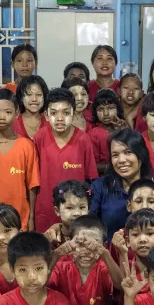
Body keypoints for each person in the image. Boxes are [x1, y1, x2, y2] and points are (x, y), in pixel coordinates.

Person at [49, 216, 124, 305]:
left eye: (94, 244)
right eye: (80, 243)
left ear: (104, 245)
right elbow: (42, 282)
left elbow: (120, 285)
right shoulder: (61, 267)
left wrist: (105, 254)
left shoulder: (104, 268)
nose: (87, 251)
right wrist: (57, 254)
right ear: (70, 243)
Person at [33, 88, 98, 232]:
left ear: (74, 114)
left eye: (66, 113)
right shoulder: (40, 138)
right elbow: (32, 180)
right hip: (46, 211)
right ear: (46, 115)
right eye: (54, 113)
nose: (60, 118)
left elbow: (90, 180)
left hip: (75, 213)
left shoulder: (83, 140)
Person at [89, 129, 154, 238]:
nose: (121, 160)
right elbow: (88, 226)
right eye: (115, 155)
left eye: (128, 152)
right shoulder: (100, 187)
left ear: (141, 155)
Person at [0, 88, 39, 230]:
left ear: (16, 113)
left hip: (20, 219)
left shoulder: (27, 146)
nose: (2, 117)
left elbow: (32, 185)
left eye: (8, 112)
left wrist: (31, 218)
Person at [44, 180, 90, 250]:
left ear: (88, 210)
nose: (77, 213)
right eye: (69, 208)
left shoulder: (94, 235)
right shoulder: (50, 237)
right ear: (57, 211)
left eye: (82, 207)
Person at [89, 89, 128, 168]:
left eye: (110, 108)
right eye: (100, 109)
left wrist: (124, 132)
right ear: (95, 112)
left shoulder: (124, 128)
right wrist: (115, 166)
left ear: (118, 109)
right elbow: (93, 165)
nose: (106, 113)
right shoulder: (94, 134)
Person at [14, 75, 48, 140]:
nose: (34, 99)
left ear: (44, 97)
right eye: (29, 95)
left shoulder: (51, 123)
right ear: (21, 97)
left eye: (38, 95)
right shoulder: (12, 123)